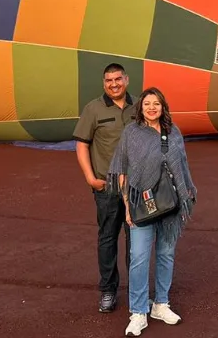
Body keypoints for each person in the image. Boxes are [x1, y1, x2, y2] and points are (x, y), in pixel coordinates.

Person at [106, 87, 197, 337]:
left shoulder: (173, 131)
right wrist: (127, 205)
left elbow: (182, 165)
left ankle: (161, 304)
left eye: (156, 103)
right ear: (141, 107)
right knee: (138, 258)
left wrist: (186, 192)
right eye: (147, 103)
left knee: (166, 255)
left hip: (170, 205)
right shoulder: (132, 133)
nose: (152, 108)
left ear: (163, 106)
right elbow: (122, 170)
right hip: (140, 205)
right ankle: (138, 312)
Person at [72, 63, 136, 313]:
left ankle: (137, 292)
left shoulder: (140, 106)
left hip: (135, 187)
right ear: (104, 83)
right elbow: (81, 144)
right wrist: (89, 177)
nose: (113, 84)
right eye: (108, 80)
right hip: (106, 186)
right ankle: (108, 290)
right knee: (108, 238)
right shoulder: (93, 109)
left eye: (118, 79)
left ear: (126, 80)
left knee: (136, 240)